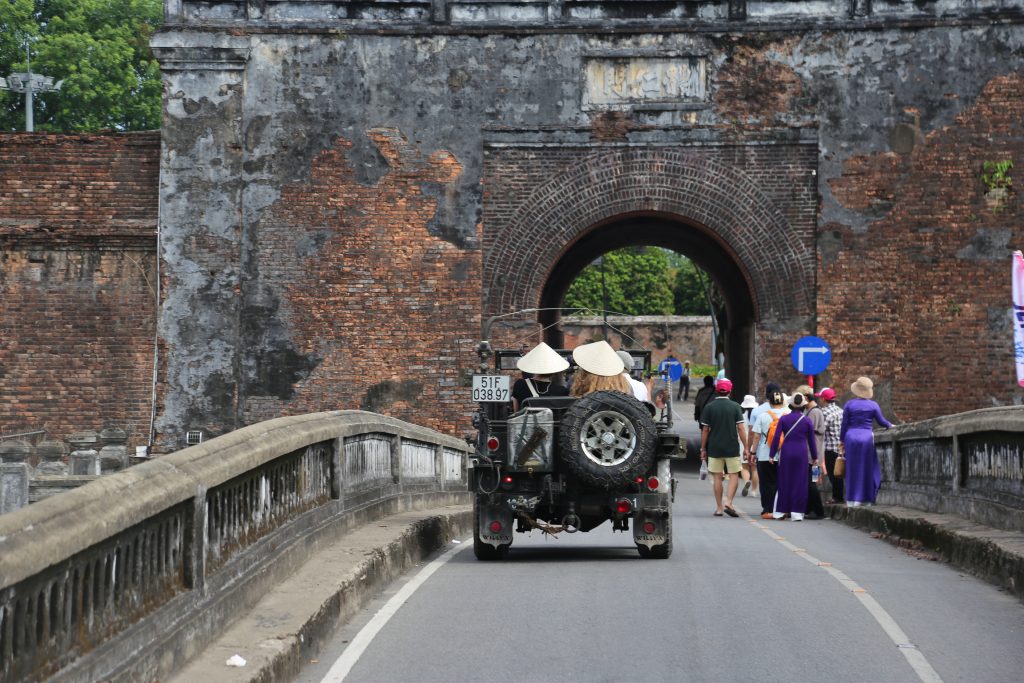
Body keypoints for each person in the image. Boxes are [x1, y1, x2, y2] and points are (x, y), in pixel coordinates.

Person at [841, 376, 893, 506]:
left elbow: (844, 425)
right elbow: (882, 421)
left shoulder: (849, 404)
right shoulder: (873, 405)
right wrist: (890, 425)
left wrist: (841, 441)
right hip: (866, 437)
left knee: (851, 468)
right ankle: (865, 498)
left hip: (851, 437)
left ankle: (852, 499)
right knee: (866, 467)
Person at [699, 378, 747, 517]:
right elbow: (741, 428)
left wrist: (703, 448)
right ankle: (729, 502)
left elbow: (705, 430)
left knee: (717, 477)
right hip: (732, 447)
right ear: (730, 390)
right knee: (734, 475)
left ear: (716, 390)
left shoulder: (709, 407)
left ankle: (719, 508)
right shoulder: (735, 406)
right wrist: (746, 447)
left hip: (714, 447)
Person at [768, 391, 819, 521]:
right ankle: (796, 513)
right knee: (799, 482)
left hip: (786, 451)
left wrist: (772, 454)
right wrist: (815, 456)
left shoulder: (784, 419)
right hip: (801, 452)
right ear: (803, 405)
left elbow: (776, 438)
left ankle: (780, 511)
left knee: (784, 480)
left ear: (790, 404)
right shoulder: (807, 420)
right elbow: (812, 441)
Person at [749, 385, 788, 519]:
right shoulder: (788, 414)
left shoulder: (763, 416)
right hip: (783, 455)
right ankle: (781, 508)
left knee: (766, 483)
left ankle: (767, 509)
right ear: (782, 401)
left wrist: (753, 452)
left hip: (765, 454)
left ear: (769, 402)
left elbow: (756, 436)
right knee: (781, 481)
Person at [510, 342, 570, 410]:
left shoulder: (520, 385)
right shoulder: (562, 391)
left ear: (533, 366)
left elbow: (516, 411)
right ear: (554, 369)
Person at [799, 385, 826, 520]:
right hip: (811, 453)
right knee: (809, 482)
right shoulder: (810, 411)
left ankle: (818, 510)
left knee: (811, 483)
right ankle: (809, 508)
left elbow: (807, 431)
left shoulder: (814, 412)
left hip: (812, 454)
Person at [819, 387, 845, 504]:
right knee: (840, 473)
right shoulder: (841, 411)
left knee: (833, 474)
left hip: (830, 447)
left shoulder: (824, 412)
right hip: (841, 446)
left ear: (823, 399)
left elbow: (821, 430)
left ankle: (837, 497)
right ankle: (839, 496)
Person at [739, 394, 760, 497]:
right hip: (755, 443)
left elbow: (739, 430)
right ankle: (754, 491)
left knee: (744, 467)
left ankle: (747, 481)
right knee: (754, 468)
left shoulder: (741, 416)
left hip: (744, 444)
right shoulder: (758, 416)